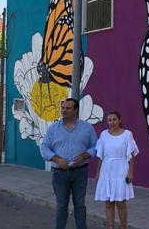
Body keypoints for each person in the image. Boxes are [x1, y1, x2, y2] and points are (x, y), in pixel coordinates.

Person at [41, 98, 98, 229]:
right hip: (59, 173)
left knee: (79, 204)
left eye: (68, 108)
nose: (64, 110)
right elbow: (44, 147)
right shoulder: (53, 128)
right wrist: (56, 159)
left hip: (80, 172)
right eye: (63, 108)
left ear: (76, 110)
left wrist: (85, 155)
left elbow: (95, 147)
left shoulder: (87, 128)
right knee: (61, 205)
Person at [94, 111, 138, 229]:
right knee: (108, 202)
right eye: (109, 120)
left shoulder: (127, 134)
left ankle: (123, 227)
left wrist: (131, 172)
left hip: (121, 169)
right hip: (106, 170)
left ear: (119, 120)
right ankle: (111, 226)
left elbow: (132, 154)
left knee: (121, 202)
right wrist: (98, 173)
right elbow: (101, 155)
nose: (111, 122)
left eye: (114, 119)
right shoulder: (103, 134)